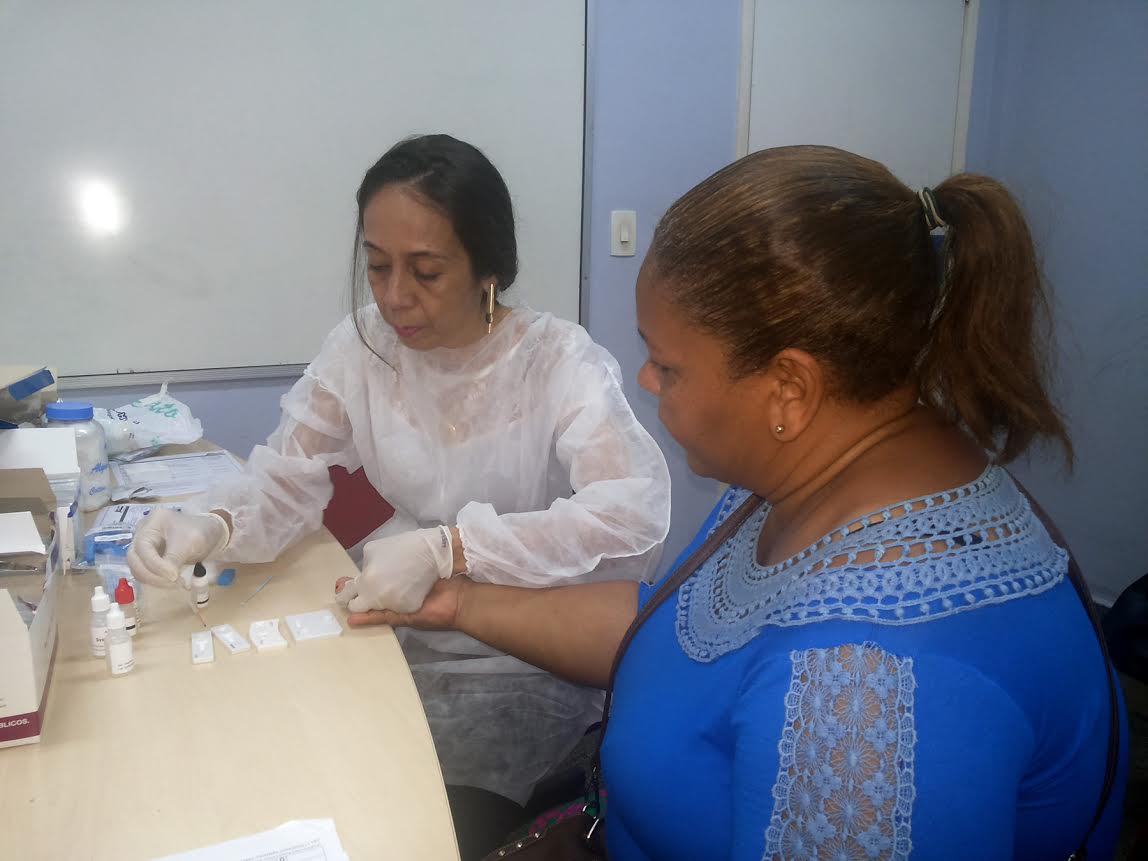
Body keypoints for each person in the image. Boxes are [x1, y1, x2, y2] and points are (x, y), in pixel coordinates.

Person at [355, 146, 1129, 859]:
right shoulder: (838, 468)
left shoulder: (867, 687)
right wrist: (458, 601)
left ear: (788, 388)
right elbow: (682, 625)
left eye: (667, 364)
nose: (647, 383)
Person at [126, 134, 671, 840]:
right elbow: (289, 479)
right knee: (296, 794)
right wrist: (213, 522)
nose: (394, 298)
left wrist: (454, 548)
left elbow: (631, 514)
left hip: (522, 664)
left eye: (425, 271)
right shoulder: (360, 350)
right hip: (394, 637)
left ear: (489, 269)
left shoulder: (555, 361)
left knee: (427, 830)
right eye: (378, 268)